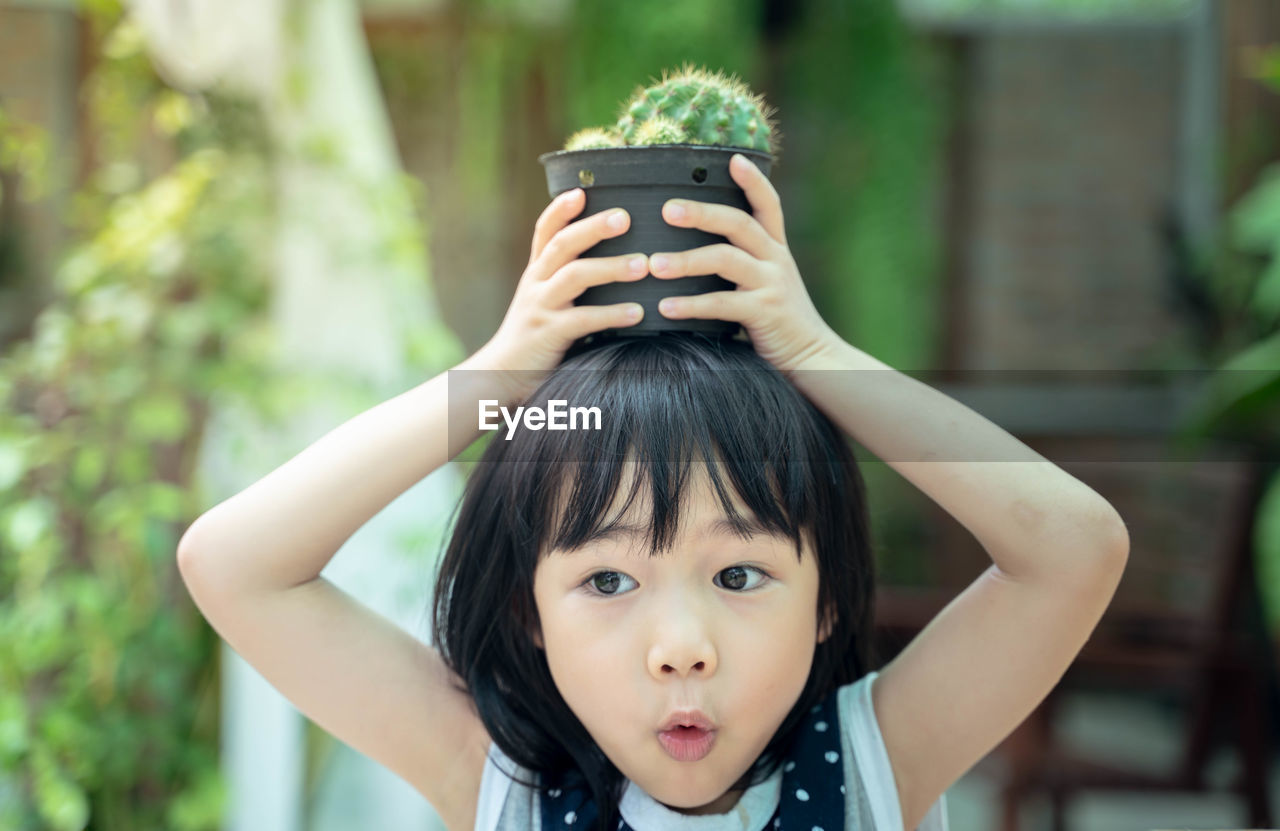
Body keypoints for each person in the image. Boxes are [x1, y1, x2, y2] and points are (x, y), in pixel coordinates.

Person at [176, 153, 1130, 831]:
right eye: (606, 581)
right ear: (529, 608)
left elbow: (1076, 548)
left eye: (742, 574)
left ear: (827, 593)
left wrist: (815, 356)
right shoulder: (496, 785)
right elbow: (234, 564)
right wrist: (498, 380)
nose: (682, 650)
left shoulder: (877, 763)